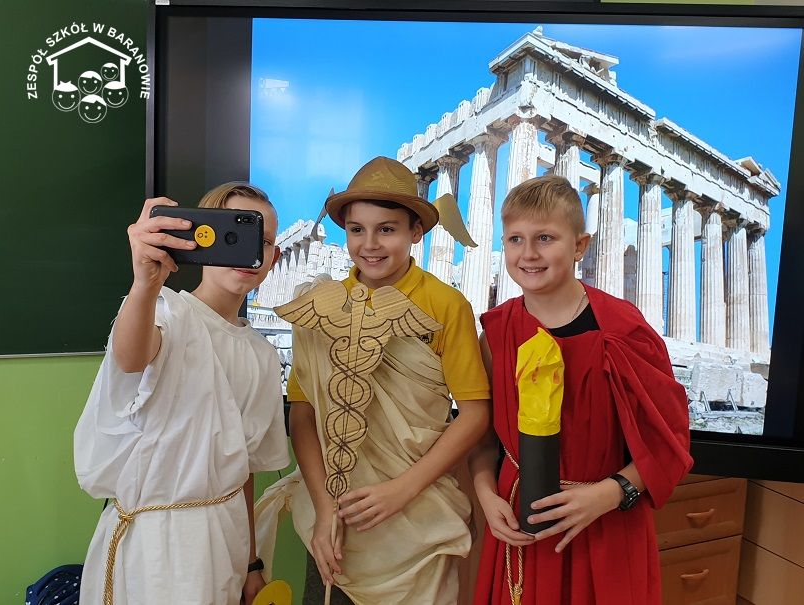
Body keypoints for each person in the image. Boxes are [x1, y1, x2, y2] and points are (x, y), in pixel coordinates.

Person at [265, 156, 491, 604]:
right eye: (356, 230)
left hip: (417, 514)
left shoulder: (447, 305)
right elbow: (304, 412)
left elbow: (474, 415)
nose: (369, 244)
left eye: (386, 229)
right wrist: (325, 505)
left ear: (415, 232)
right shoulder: (322, 304)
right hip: (336, 515)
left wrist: (401, 490)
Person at [470, 175, 693, 605]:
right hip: (520, 526)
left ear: (579, 246)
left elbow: (668, 442)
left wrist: (611, 492)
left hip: (605, 525)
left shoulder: (625, 331)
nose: (528, 253)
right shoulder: (495, 334)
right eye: (515, 239)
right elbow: (483, 438)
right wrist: (485, 494)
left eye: (545, 238)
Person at [74, 183, 290, 605]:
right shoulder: (166, 312)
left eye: (262, 240)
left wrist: (251, 564)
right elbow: (131, 358)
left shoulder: (263, 355)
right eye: (233, 232)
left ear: (274, 257)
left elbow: (243, 470)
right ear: (201, 239)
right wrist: (144, 285)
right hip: (157, 545)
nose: (248, 249)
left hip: (224, 540)